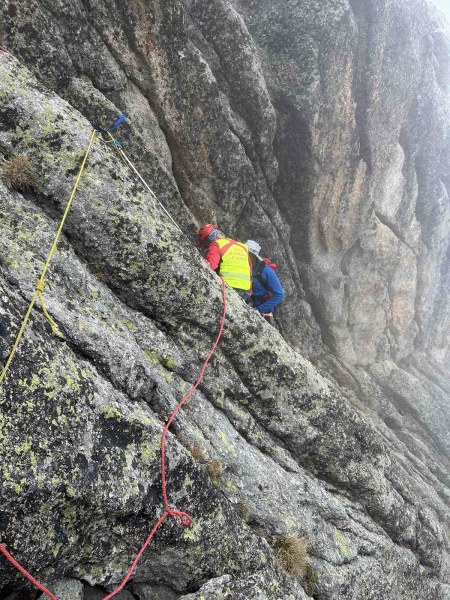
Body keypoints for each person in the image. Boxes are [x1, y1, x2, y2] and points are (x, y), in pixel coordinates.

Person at [198, 224, 252, 302]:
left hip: (229, 286)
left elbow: (210, 265)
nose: (208, 245)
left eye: (207, 241)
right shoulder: (242, 246)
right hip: (245, 290)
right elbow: (249, 269)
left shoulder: (216, 244)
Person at [245, 240, 284, 325]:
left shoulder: (266, 271)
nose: (244, 255)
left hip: (261, 308)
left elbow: (279, 294)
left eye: (247, 253)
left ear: (253, 256)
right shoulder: (243, 265)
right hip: (247, 301)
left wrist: (259, 309)